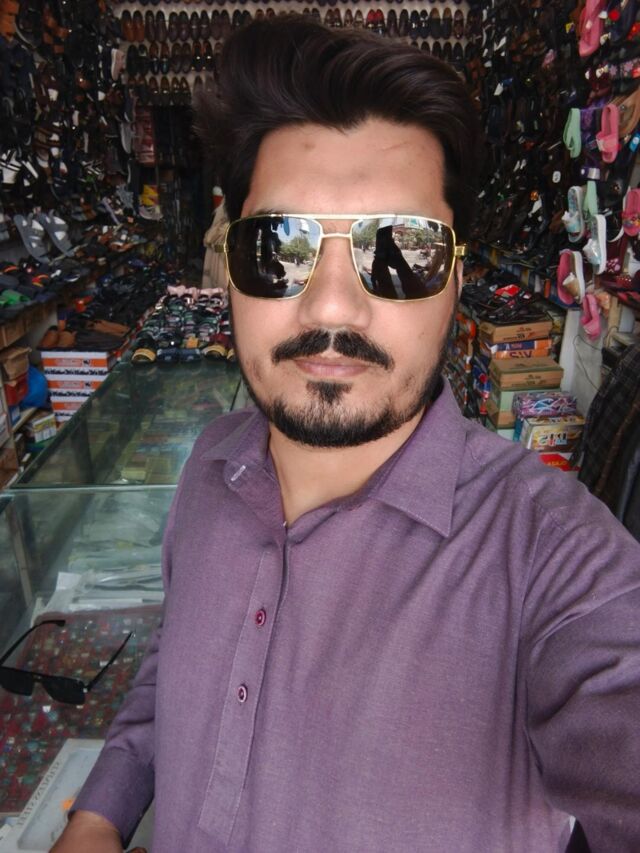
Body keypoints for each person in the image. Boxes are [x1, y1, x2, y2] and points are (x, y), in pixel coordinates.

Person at [52, 16, 640, 853]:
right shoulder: (210, 465)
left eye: (400, 250)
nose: (331, 306)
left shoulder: (553, 556)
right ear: (228, 268)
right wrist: (98, 815)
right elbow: (171, 669)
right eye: (277, 246)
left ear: (454, 282)